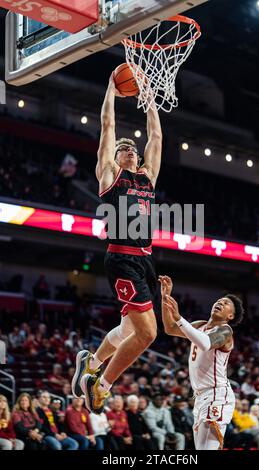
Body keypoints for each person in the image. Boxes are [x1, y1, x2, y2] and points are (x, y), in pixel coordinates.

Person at [72, 72, 162, 413]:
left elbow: (155, 134)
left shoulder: (147, 177)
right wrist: (110, 88)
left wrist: (150, 98)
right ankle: (100, 385)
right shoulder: (111, 175)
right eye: (124, 150)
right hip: (122, 258)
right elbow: (107, 127)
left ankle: (91, 362)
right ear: (115, 158)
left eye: (132, 150)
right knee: (147, 335)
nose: (129, 152)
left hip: (145, 261)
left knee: (128, 330)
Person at [160, 275, 244, 450]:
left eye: (226, 303)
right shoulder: (200, 325)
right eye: (220, 300)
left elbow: (205, 343)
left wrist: (179, 317)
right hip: (201, 396)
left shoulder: (226, 331)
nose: (220, 302)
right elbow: (169, 328)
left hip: (217, 394)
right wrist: (165, 298)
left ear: (230, 315)